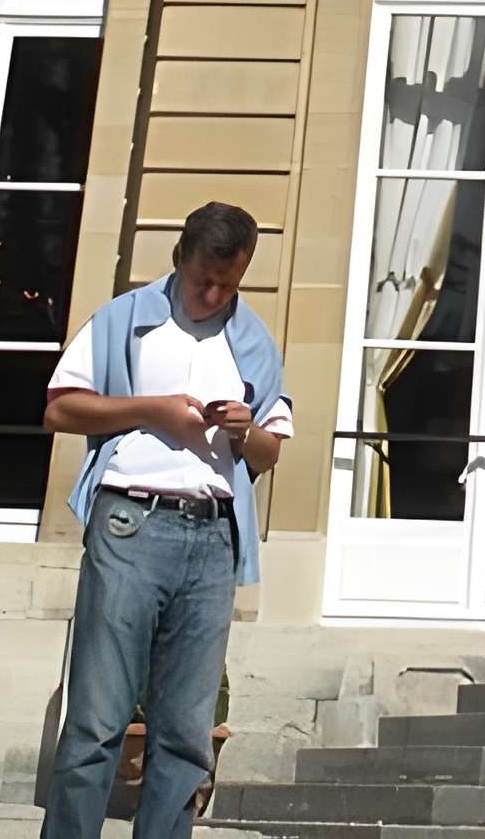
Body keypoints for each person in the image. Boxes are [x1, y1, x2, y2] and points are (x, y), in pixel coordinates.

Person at [38, 201, 291, 839]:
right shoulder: (124, 319)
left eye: (228, 284)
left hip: (213, 536)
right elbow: (60, 410)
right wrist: (151, 410)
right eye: (204, 279)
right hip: (130, 522)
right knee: (97, 718)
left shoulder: (253, 341)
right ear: (179, 258)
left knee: (184, 731)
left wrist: (245, 430)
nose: (213, 295)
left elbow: (269, 454)